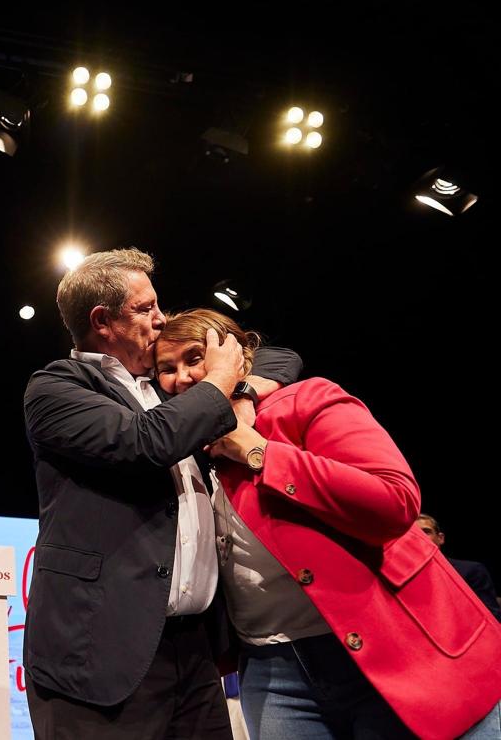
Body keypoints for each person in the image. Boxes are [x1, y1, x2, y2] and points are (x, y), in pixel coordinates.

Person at [154, 308, 501, 740]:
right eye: (165, 369)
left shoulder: (306, 400)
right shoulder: (181, 454)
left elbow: (396, 500)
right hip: (270, 669)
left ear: (239, 356)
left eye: (194, 357)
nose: (182, 377)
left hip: (394, 644)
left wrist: (259, 451)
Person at [22, 248, 302, 739]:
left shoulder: (166, 380)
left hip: (194, 651)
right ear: (102, 321)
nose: (161, 317)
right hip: (99, 650)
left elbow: (279, 355)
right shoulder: (56, 388)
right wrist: (220, 380)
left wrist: (244, 389)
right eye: (146, 308)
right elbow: (144, 442)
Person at [417, 514, 501, 622]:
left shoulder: (471, 571)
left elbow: (491, 618)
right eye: (414, 533)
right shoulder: (396, 576)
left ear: (440, 538)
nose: (419, 536)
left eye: (426, 531)